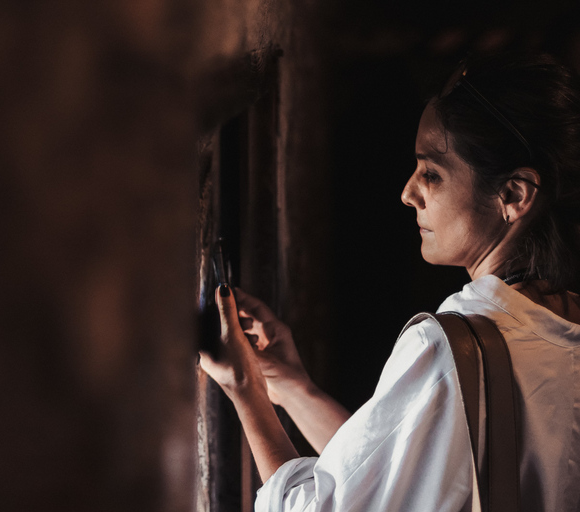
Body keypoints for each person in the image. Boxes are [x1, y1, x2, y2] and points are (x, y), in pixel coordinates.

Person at [199, 52, 580, 511]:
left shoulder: (456, 349)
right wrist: (297, 388)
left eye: (432, 173)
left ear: (513, 195)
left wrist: (245, 389)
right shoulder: (560, 327)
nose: (408, 192)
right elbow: (392, 472)